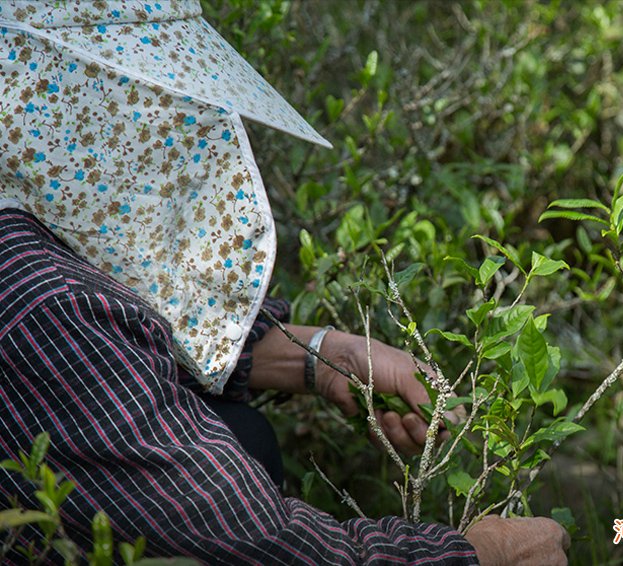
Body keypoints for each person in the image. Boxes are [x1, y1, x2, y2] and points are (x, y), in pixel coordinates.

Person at [0, 1, 569, 564]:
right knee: (243, 443)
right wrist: (480, 553)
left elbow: (101, 357)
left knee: (242, 432)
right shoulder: (40, 301)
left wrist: (324, 356)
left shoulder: (28, 244)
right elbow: (258, 546)